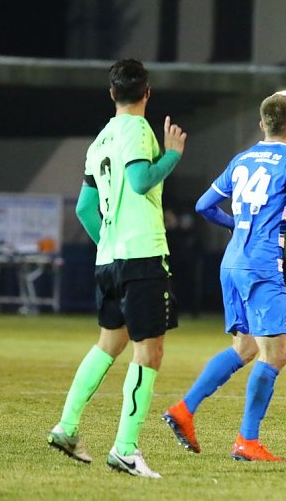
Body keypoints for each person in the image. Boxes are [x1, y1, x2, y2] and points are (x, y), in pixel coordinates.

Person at [162, 90, 286, 462]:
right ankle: (247, 441)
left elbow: (203, 205)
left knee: (246, 347)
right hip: (262, 266)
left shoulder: (241, 159)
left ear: (261, 124)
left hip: (231, 263)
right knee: (275, 355)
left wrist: (235, 225)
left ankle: (184, 411)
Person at [47, 59, 187, 478]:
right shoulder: (138, 130)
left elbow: (85, 208)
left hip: (109, 259)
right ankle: (126, 448)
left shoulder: (100, 139)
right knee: (150, 350)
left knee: (109, 342)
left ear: (112, 94)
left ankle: (67, 427)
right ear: (147, 93)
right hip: (141, 256)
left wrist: (110, 242)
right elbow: (142, 181)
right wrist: (174, 154)